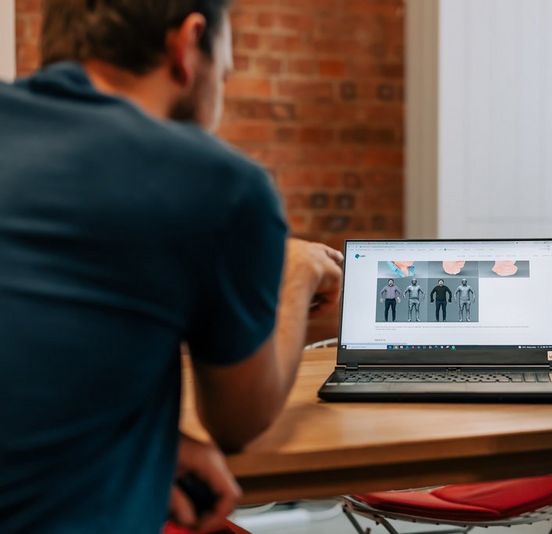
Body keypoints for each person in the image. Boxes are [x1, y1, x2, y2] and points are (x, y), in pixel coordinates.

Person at [0, 1, 343, 532]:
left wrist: (153, 440)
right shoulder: (218, 184)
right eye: (224, 73)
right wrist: (294, 271)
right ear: (187, 44)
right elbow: (237, 422)